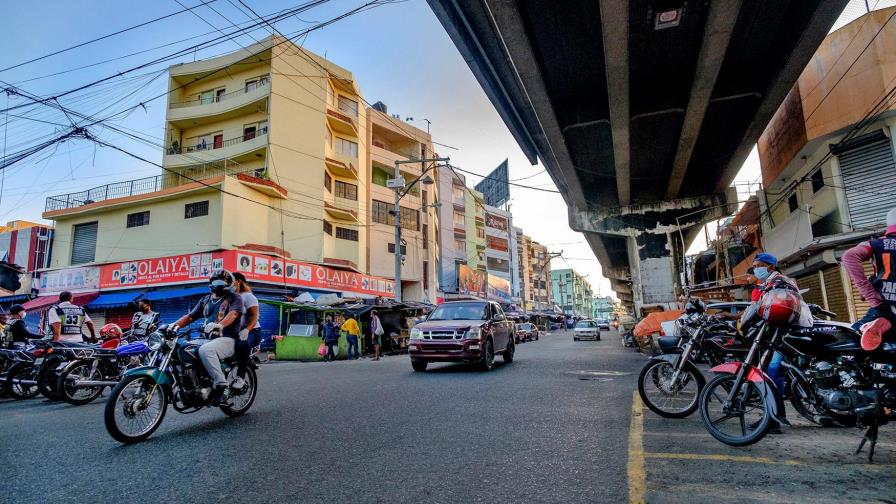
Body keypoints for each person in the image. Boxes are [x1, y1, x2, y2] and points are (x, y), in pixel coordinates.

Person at [171, 270, 244, 405]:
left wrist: (219, 325)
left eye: (222, 282)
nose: (218, 284)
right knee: (182, 348)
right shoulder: (205, 300)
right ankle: (192, 385)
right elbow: (190, 317)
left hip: (228, 339)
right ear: (210, 283)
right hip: (207, 339)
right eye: (215, 282)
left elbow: (233, 314)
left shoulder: (235, 298)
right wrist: (172, 326)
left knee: (206, 350)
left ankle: (223, 387)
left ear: (229, 283)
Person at [842, 207, 896, 351]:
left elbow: (849, 257)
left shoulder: (875, 244)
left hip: (883, 307)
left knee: (852, 336)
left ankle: (866, 326)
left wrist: (870, 294)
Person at [232, 272, 262, 389]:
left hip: (253, 331)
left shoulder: (248, 296)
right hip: (234, 331)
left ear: (238, 281)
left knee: (241, 343)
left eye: (231, 280)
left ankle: (240, 377)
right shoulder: (230, 297)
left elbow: (255, 317)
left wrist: (247, 330)